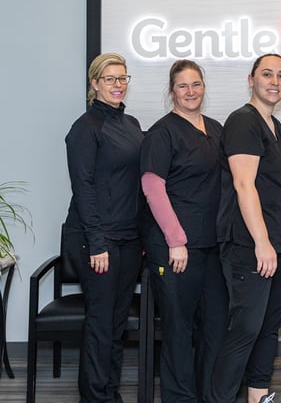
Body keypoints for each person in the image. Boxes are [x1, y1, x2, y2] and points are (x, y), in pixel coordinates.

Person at [208, 53, 281, 403]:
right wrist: (262, 242)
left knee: (267, 328)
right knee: (245, 328)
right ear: (251, 79)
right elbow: (244, 185)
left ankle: (258, 396)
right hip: (251, 246)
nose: (274, 81)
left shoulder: (275, 126)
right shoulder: (243, 122)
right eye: (267, 74)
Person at [140, 60, 228, 403]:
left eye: (196, 84)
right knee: (178, 329)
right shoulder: (162, 133)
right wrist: (176, 241)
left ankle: (209, 396)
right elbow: (152, 188)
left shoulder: (216, 129)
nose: (191, 92)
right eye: (183, 86)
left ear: (204, 86)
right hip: (176, 248)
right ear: (171, 91)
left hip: (212, 246)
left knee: (215, 326)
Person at [63, 53, 144, 403]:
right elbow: (83, 188)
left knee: (117, 323)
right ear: (94, 83)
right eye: (110, 79)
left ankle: (110, 392)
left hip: (128, 239)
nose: (118, 84)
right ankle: (94, 397)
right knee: (101, 322)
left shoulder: (131, 124)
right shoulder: (85, 128)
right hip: (97, 241)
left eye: (122, 78)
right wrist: (97, 243)